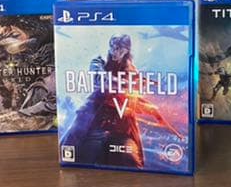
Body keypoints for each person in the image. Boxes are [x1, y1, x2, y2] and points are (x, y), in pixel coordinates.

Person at [60, 35, 182, 169]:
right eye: (113, 47)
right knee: (73, 141)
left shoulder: (130, 70)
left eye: (119, 49)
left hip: (120, 124)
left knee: (132, 160)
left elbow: (148, 107)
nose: (115, 51)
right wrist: (127, 83)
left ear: (126, 50)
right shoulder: (99, 61)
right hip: (93, 115)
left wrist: (171, 129)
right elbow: (100, 78)